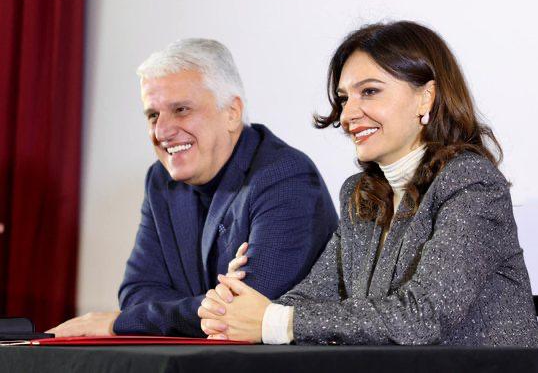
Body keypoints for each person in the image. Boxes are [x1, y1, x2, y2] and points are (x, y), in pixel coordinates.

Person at [198, 21, 538, 348]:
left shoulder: (471, 183)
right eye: (344, 98)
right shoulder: (360, 195)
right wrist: (239, 310)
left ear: (426, 97)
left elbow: (423, 316)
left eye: (369, 91)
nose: (348, 115)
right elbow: (312, 297)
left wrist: (273, 321)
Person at [48, 38, 338, 337]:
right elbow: (136, 292)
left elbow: (245, 313)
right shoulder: (161, 181)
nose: (162, 131)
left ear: (232, 112)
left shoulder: (285, 176)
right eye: (153, 115)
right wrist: (209, 302)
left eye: (181, 110)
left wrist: (121, 323)